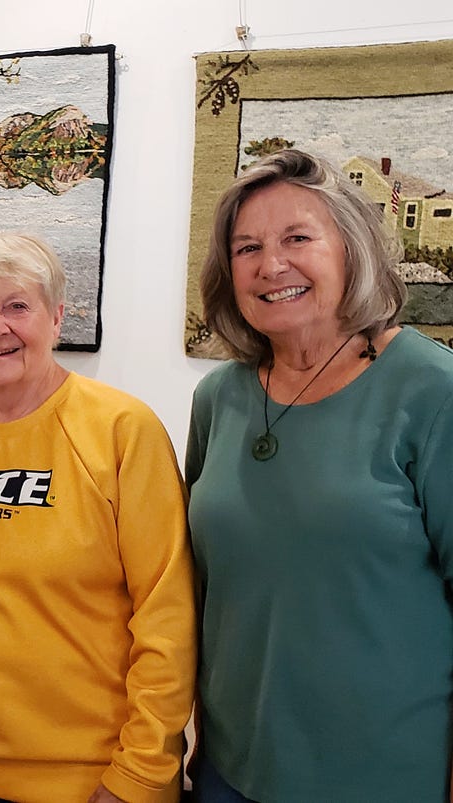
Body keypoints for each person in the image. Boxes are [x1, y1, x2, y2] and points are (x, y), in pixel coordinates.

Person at [187, 148, 453, 801]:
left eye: (298, 238)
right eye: (247, 248)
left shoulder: (431, 391)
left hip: (384, 779)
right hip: (229, 770)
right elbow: (198, 584)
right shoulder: (218, 398)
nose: (271, 265)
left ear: (351, 249)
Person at [0, 232, 195, 803]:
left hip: (91, 777)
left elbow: (168, 614)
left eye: (17, 306)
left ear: (57, 317)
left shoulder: (122, 431)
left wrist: (140, 771)